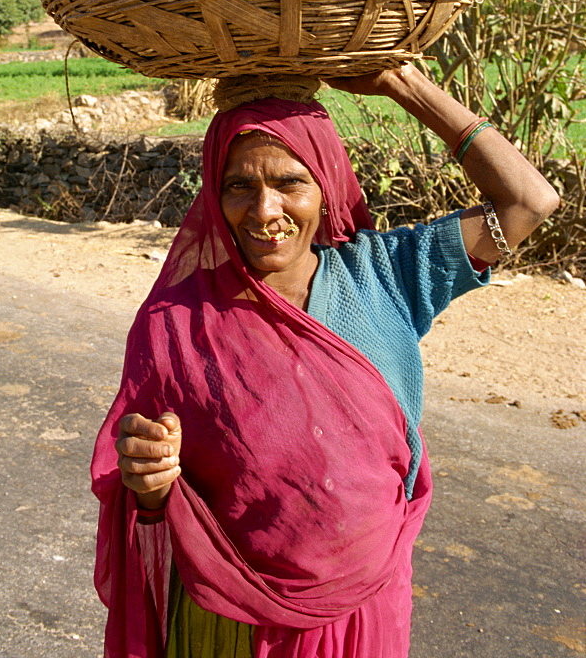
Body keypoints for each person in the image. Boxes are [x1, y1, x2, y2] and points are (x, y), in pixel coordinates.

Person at [92, 63, 559, 658]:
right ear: (213, 191)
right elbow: (149, 491)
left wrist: (402, 85)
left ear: (327, 185)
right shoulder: (173, 321)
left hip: (366, 609)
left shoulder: (385, 276)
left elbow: (530, 200)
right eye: (238, 185)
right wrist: (151, 482)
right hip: (233, 616)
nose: (264, 210)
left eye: (290, 182)